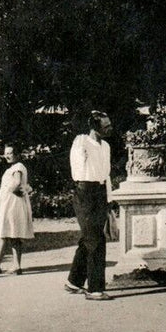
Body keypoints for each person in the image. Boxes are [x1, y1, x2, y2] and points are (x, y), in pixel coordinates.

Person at [67, 111, 113, 301]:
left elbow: (106, 175)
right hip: (84, 192)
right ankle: (95, 289)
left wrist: (108, 200)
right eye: (106, 125)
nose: (110, 128)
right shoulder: (81, 142)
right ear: (95, 127)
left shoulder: (106, 146)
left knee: (90, 237)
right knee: (96, 239)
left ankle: (74, 281)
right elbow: (77, 170)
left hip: (100, 192)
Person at [0, 143, 33, 278]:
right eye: (6, 153)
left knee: (2, 235)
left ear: (17, 154)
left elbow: (17, 182)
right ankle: (17, 266)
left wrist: (12, 190)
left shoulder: (17, 167)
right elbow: (25, 185)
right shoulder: (16, 167)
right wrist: (24, 190)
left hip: (11, 205)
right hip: (14, 204)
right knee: (14, 235)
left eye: (10, 153)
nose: (7, 155)